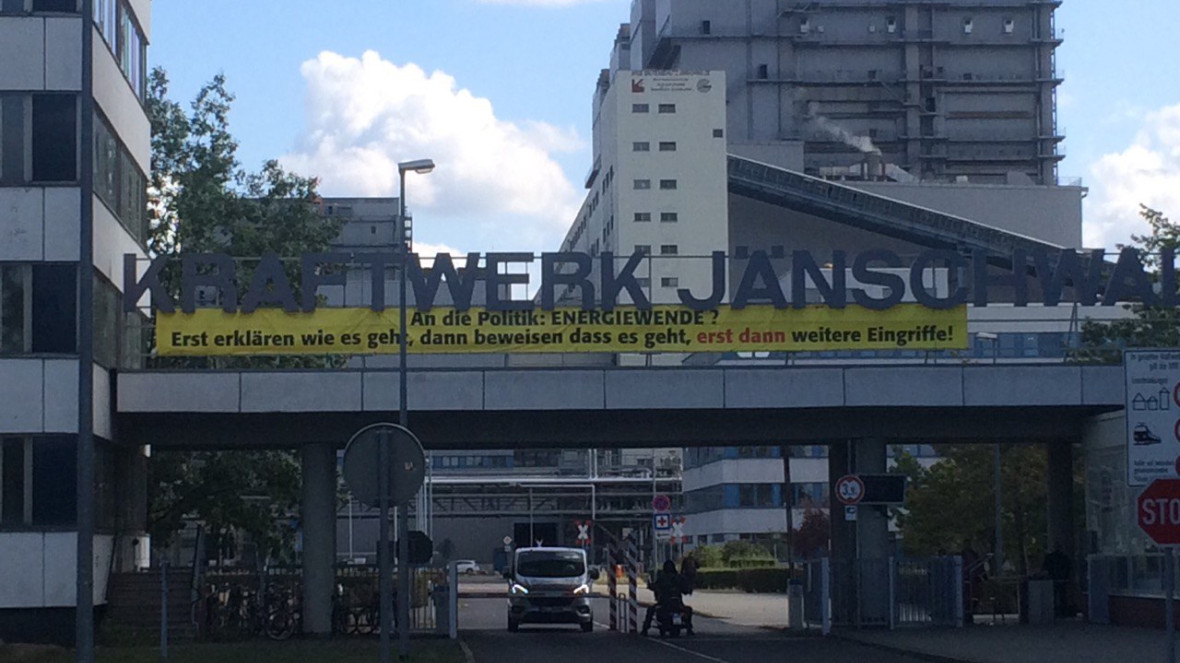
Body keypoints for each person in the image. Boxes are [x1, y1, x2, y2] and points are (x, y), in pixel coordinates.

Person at [641, 560, 694, 636]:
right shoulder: (679, 578)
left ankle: (645, 629)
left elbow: (655, 586)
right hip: (678, 603)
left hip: (664, 603)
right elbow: (686, 590)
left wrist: (650, 586)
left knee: (651, 610)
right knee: (688, 610)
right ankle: (689, 629)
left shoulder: (662, 578)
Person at [1042, 544, 1072, 618]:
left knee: (1054, 596)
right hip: (1062, 579)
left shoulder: (1049, 557)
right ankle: (1063, 612)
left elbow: (1045, 568)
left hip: (1053, 579)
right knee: (1062, 596)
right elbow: (1068, 568)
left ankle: (1055, 611)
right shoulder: (1064, 557)